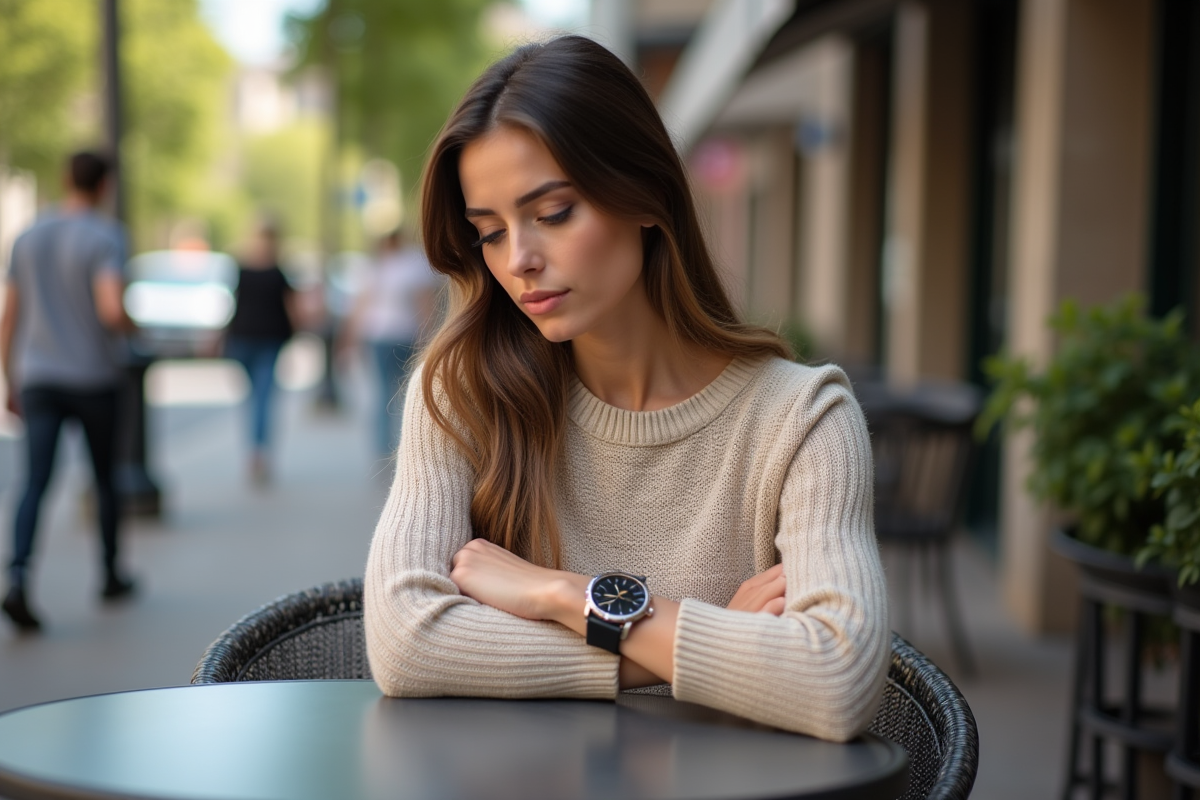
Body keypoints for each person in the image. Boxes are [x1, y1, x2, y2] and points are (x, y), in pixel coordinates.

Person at [363, 36, 889, 742]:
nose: (519, 261)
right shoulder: (465, 391)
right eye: (489, 232)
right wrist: (703, 640)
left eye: (552, 214)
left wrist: (562, 595)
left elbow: (837, 678)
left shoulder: (801, 418)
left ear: (643, 196)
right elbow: (404, 643)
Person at [1, 150, 137, 632]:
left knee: (35, 481)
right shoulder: (106, 236)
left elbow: (9, 315)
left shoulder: (28, 237)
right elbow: (110, 309)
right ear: (103, 186)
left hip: (38, 376)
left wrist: (9, 379)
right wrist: (133, 326)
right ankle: (109, 573)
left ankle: (18, 577)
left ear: (65, 179)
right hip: (94, 377)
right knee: (103, 478)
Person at [341, 229, 440, 457]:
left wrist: (350, 337)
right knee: (407, 391)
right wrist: (429, 336)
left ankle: (384, 445)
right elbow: (425, 306)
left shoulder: (374, 267)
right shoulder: (412, 266)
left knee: (384, 391)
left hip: (379, 335)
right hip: (405, 334)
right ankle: (403, 441)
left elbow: (359, 307)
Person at [223, 221, 296, 485]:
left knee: (255, 398)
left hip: (247, 338)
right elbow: (291, 309)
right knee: (261, 398)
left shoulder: (245, 269)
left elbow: (233, 305)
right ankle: (258, 453)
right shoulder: (277, 271)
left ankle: (255, 452)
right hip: (264, 339)